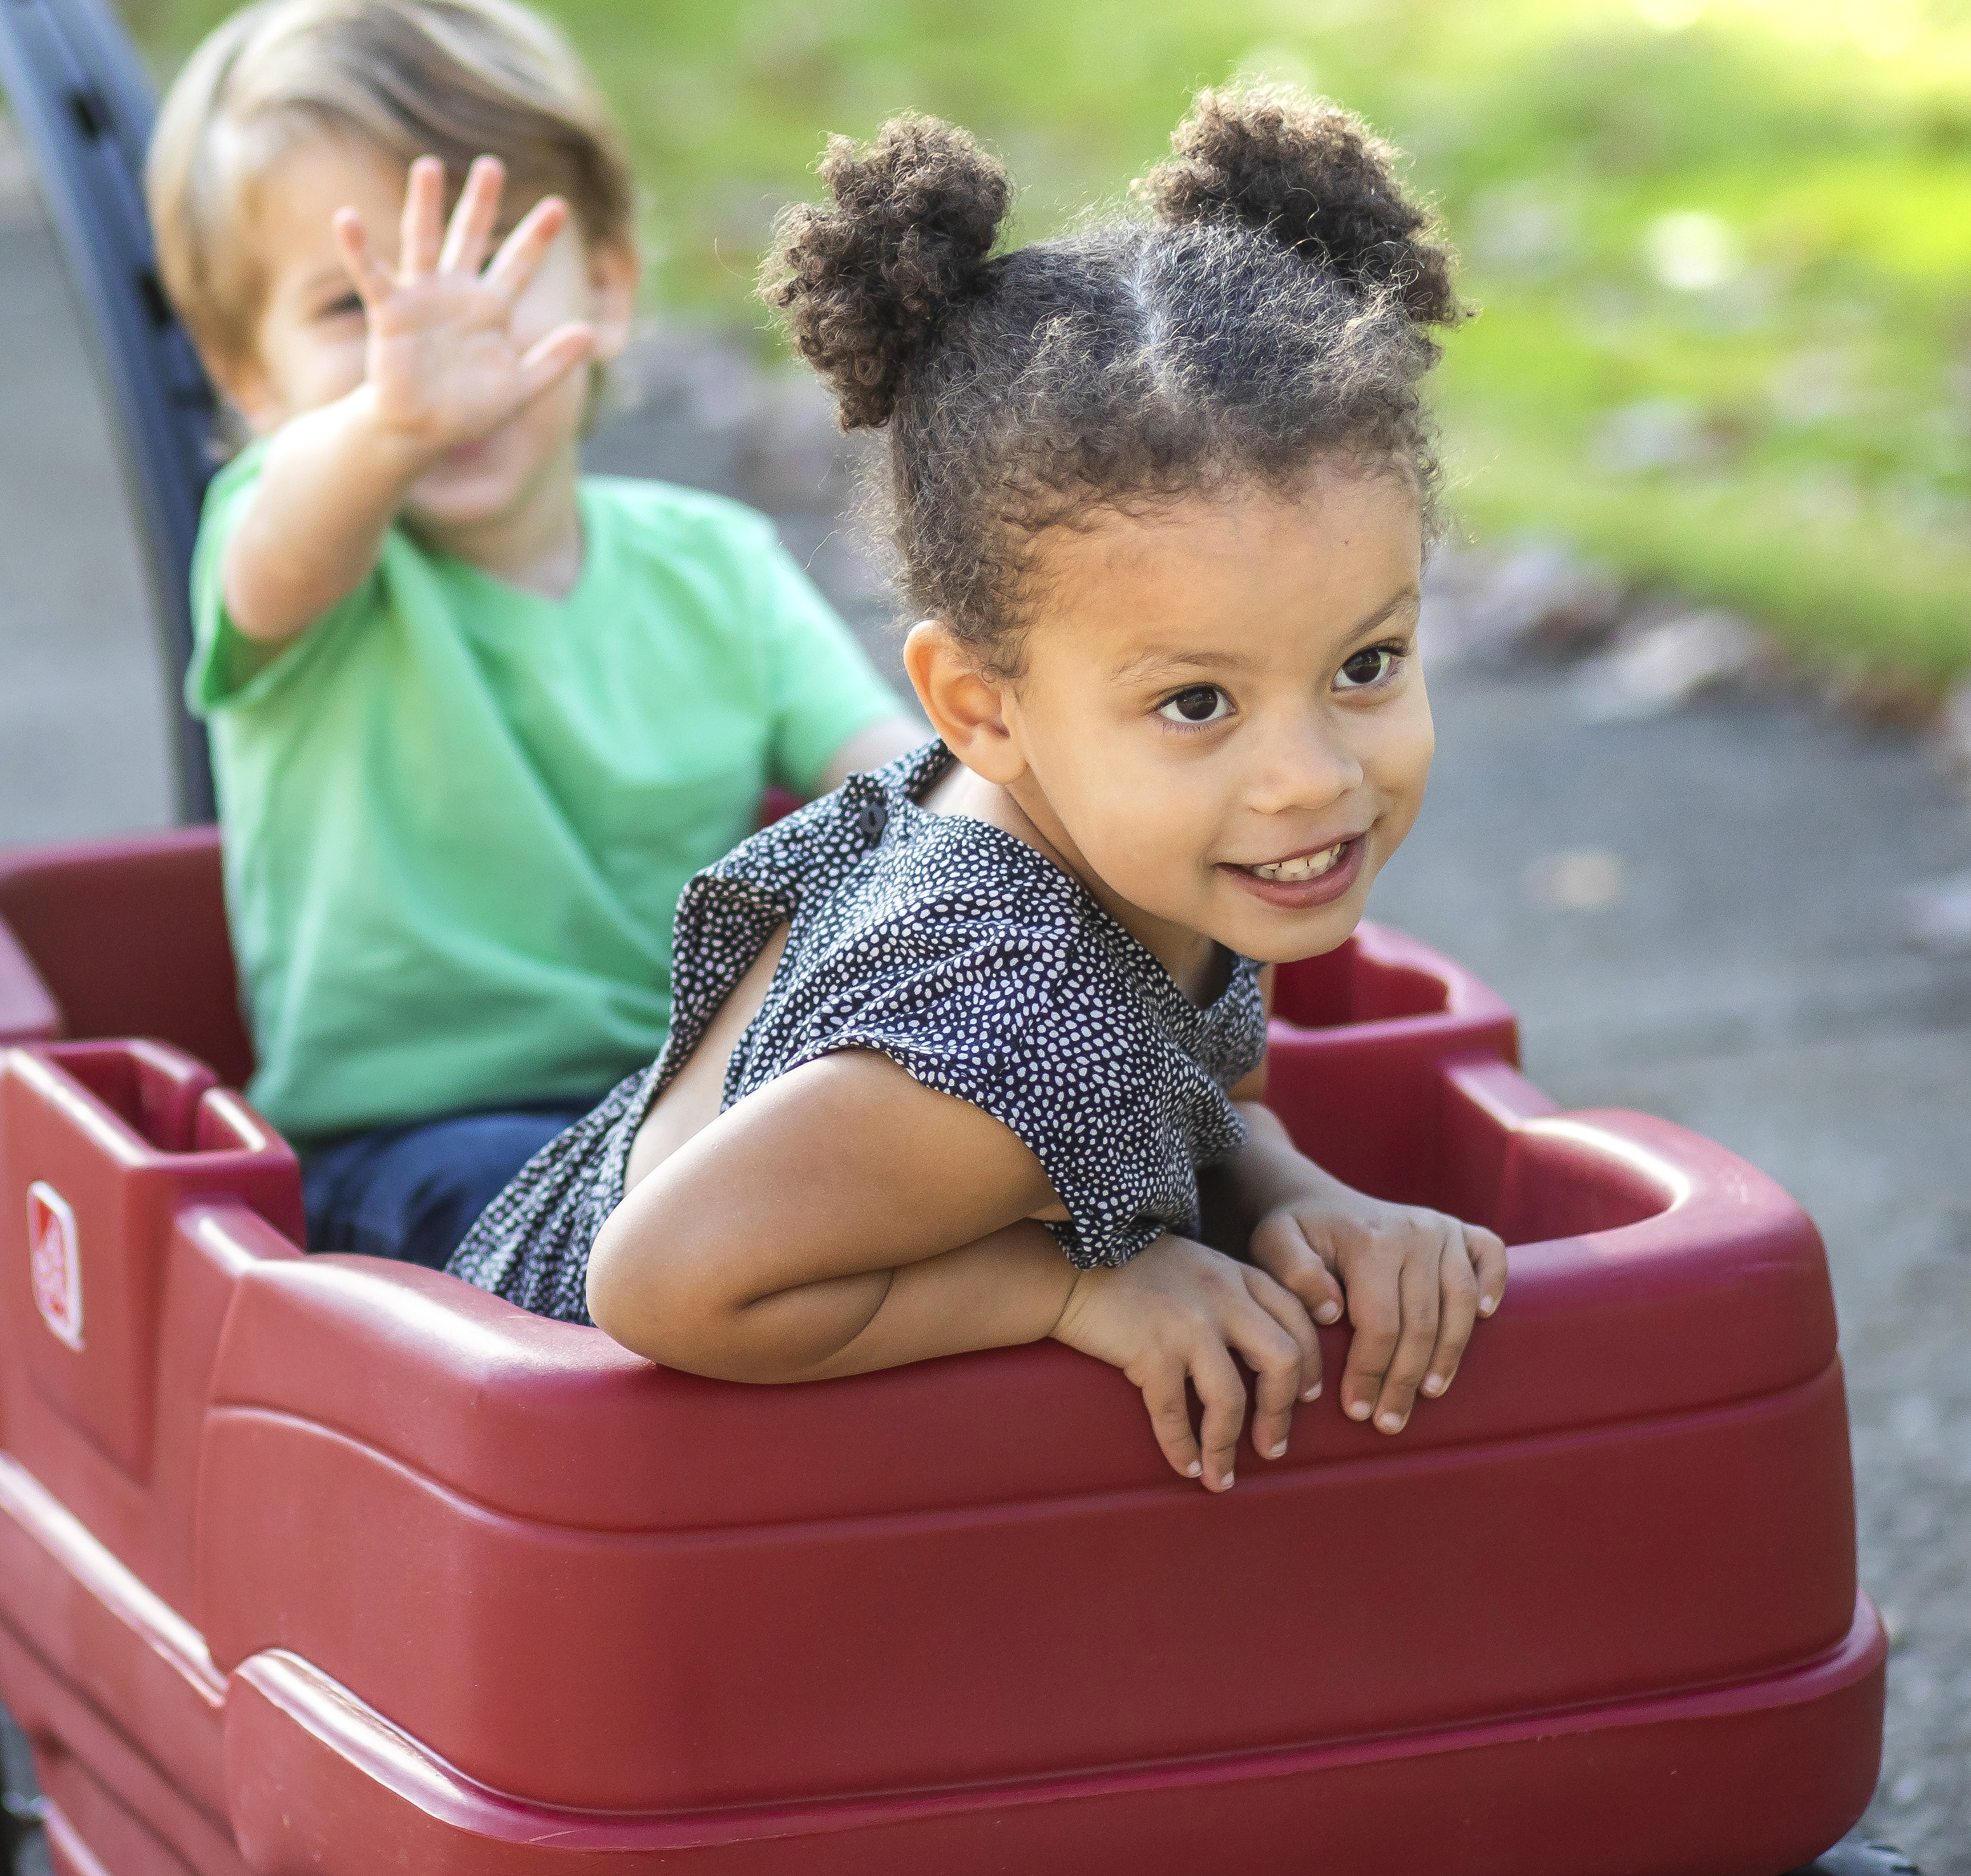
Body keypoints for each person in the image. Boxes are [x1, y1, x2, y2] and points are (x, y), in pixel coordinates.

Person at [448, 89, 1511, 1488]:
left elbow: (1205, 1086)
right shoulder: (1004, 1021)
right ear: (978, 708)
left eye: (1366, 662)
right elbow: (658, 1275)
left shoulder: (1159, 853)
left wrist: (1296, 1199)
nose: (1310, 778)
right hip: (534, 1473)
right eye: (1197, 702)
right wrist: (1071, 1295)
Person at [145, 0, 920, 1267]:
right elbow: (280, 547)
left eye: (491, 271)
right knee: (670, 1237)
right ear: (252, 383)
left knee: (901, 1162)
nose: (436, 343)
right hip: (413, 1146)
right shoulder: (301, 558)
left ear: (608, 290)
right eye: (357, 306)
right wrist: (388, 426)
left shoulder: (712, 569)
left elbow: (900, 784)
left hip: (698, 1110)